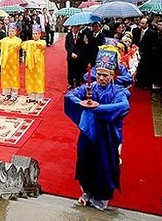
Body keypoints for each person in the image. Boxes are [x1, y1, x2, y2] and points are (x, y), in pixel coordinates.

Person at [64, 48, 131, 211]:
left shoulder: (118, 91)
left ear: (112, 75)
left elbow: (123, 106)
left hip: (106, 137)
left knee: (104, 166)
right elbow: (69, 96)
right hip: (88, 133)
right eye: (99, 74)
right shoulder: (90, 87)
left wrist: (98, 108)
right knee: (85, 161)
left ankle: (100, 199)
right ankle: (86, 192)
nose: (101, 78)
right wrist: (82, 104)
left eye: (105, 75)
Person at [21, 25, 46, 103]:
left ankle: (39, 97)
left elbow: (42, 46)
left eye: (36, 34)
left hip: (38, 64)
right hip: (29, 63)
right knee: (30, 78)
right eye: (33, 34)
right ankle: (31, 96)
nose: (34, 35)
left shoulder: (42, 41)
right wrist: (31, 44)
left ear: (39, 34)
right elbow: (22, 45)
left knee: (38, 78)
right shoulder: (29, 42)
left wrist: (32, 44)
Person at [0, 23, 22, 101]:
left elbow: (17, 47)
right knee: (6, 77)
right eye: (9, 31)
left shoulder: (18, 40)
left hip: (13, 63)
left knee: (13, 77)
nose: (11, 33)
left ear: (15, 32)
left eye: (12, 31)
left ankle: (14, 94)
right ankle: (7, 93)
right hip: (5, 61)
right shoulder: (4, 40)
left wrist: (8, 47)